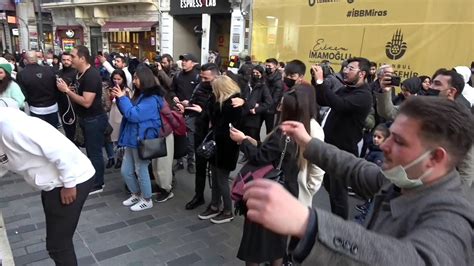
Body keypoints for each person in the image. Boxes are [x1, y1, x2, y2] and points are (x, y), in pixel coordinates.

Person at [244, 96, 474, 265]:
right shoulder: (403, 182)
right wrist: (308, 143)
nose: (384, 145)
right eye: (390, 135)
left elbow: (418, 260)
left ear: (435, 157)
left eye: (400, 142)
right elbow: (354, 168)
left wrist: (309, 223)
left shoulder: (453, 217)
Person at [229, 85, 324, 265]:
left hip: (268, 193)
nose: (278, 108)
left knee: (254, 244)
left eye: (282, 105)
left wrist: (242, 141)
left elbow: (261, 157)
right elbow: (272, 153)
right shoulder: (304, 130)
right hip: (288, 192)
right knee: (277, 243)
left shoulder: (283, 132)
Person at [0, 106, 95, 266]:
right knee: (56, 243)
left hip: (71, 180)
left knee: (58, 245)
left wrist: (69, 184)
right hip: (53, 183)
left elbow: (60, 150)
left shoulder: (12, 128)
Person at [311, 57, 373, 220]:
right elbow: (323, 99)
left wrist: (320, 82)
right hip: (330, 146)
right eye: (345, 68)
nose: (345, 71)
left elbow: (339, 104)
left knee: (339, 193)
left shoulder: (364, 95)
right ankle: (335, 221)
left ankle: (340, 229)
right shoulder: (347, 89)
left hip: (343, 150)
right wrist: (315, 80)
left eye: (350, 68)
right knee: (330, 187)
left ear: (362, 74)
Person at [112, 66, 165, 211]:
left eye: (136, 78)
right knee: (126, 170)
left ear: (144, 79)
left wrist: (122, 98)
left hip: (142, 139)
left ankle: (147, 199)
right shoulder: (141, 94)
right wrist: (122, 98)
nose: (134, 81)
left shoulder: (151, 99)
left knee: (141, 170)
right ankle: (136, 194)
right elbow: (129, 113)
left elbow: (133, 115)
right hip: (132, 137)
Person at [56, 45, 107, 194]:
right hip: (85, 118)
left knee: (94, 152)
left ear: (82, 58)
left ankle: (98, 183)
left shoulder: (91, 75)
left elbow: (86, 101)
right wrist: (71, 91)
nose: (70, 59)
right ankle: (93, 179)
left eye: (73, 56)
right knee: (89, 151)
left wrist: (66, 91)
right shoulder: (79, 73)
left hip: (94, 119)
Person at [197, 75, 242, 224]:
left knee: (222, 179)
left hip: (227, 147)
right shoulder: (217, 100)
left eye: (214, 88)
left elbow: (231, 127)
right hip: (217, 144)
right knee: (215, 177)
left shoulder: (234, 104)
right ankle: (215, 205)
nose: (212, 90)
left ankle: (228, 210)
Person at [183, 63, 220, 210]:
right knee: (200, 167)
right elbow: (192, 104)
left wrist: (203, 110)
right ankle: (199, 196)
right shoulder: (200, 87)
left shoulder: (223, 89)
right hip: (200, 131)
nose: (203, 80)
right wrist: (186, 107)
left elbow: (224, 115)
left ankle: (216, 201)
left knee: (216, 171)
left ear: (216, 76)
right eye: (202, 77)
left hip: (216, 135)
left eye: (206, 78)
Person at [170, 53, 201, 174]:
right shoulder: (177, 76)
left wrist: (190, 102)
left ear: (193, 63)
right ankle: (179, 161)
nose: (183, 62)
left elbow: (201, 95)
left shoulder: (198, 77)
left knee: (190, 139)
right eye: (182, 60)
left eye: (186, 60)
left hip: (191, 113)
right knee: (178, 137)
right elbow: (171, 90)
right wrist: (174, 98)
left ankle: (190, 162)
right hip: (178, 112)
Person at [17, 51, 59, 128]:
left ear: (25, 60)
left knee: (39, 133)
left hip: (36, 108)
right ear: (37, 59)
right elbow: (56, 87)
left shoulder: (22, 74)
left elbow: (23, 93)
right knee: (54, 132)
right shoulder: (49, 69)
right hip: (52, 106)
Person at [105, 69, 131, 169]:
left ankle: (120, 158)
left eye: (119, 79)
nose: (116, 81)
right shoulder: (108, 88)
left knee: (119, 138)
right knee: (108, 137)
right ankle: (111, 157)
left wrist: (122, 96)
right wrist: (110, 96)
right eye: (114, 79)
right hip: (110, 114)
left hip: (121, 116)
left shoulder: (127, 90)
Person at [240, 65, 272, 143]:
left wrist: (257, 109)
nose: (255, 75)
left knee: (253, 139)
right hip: (244, 116)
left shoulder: (263, 87)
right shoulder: (248, 85)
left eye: (257, 73)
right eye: (253, 72)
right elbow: (243, 97)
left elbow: (269, 102)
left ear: (261, 74)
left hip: (253, 119)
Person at [56, 52, 78, 142]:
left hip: (74, 106)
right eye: (64, 60)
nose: (66, 62)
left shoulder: (76, 72)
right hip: (62, 105)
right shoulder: (58, 73)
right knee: (68, 132)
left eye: (68, 60)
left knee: (76, 132)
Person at [262, 58, 283, 133]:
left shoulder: (278, 81)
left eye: (269, 66)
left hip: (270, 110)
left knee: (270, 131)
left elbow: (275, 99)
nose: (267, 68)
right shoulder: (263, 76)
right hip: (261, 108)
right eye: (266, 66)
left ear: (275, 67)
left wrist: (265, 105)